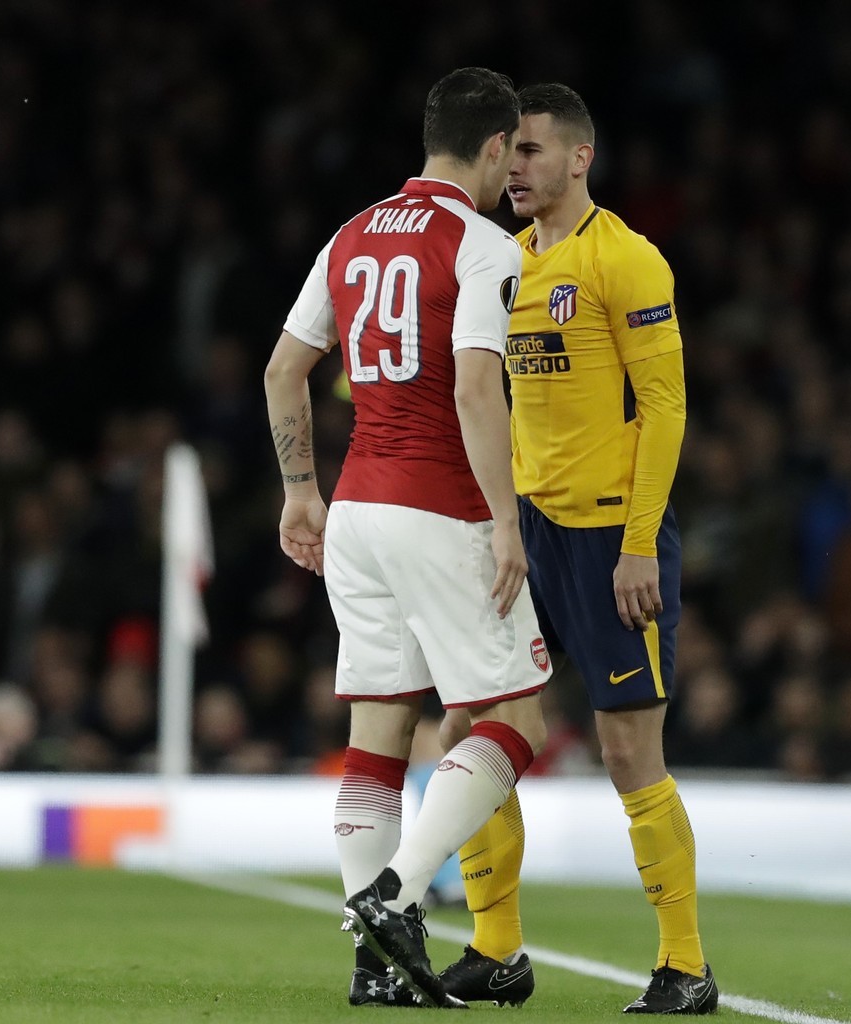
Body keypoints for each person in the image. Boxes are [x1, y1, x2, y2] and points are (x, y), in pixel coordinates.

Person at [262, 67, 550, 1010]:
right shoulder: (481, 245)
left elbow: (283, 371)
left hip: (354, 512)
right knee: (517, 719)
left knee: (377, 736)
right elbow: (477, 389)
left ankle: (371, 963)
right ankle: (396, 895)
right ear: (498, 146)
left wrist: (299, 491)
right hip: (440, 506)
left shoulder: (350, 235)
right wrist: (507, 519)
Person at [440, 83, 716, 1015]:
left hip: (609, 536)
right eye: (507, 153)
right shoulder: (505, 263)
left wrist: (639, 544)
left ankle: (686, 965)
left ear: (578, 158)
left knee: (627, 747)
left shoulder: (628, 261)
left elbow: (668, 409)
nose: (512, 167)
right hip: (527, 532)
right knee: (478, 726)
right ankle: (496, 950)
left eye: (528, 150)